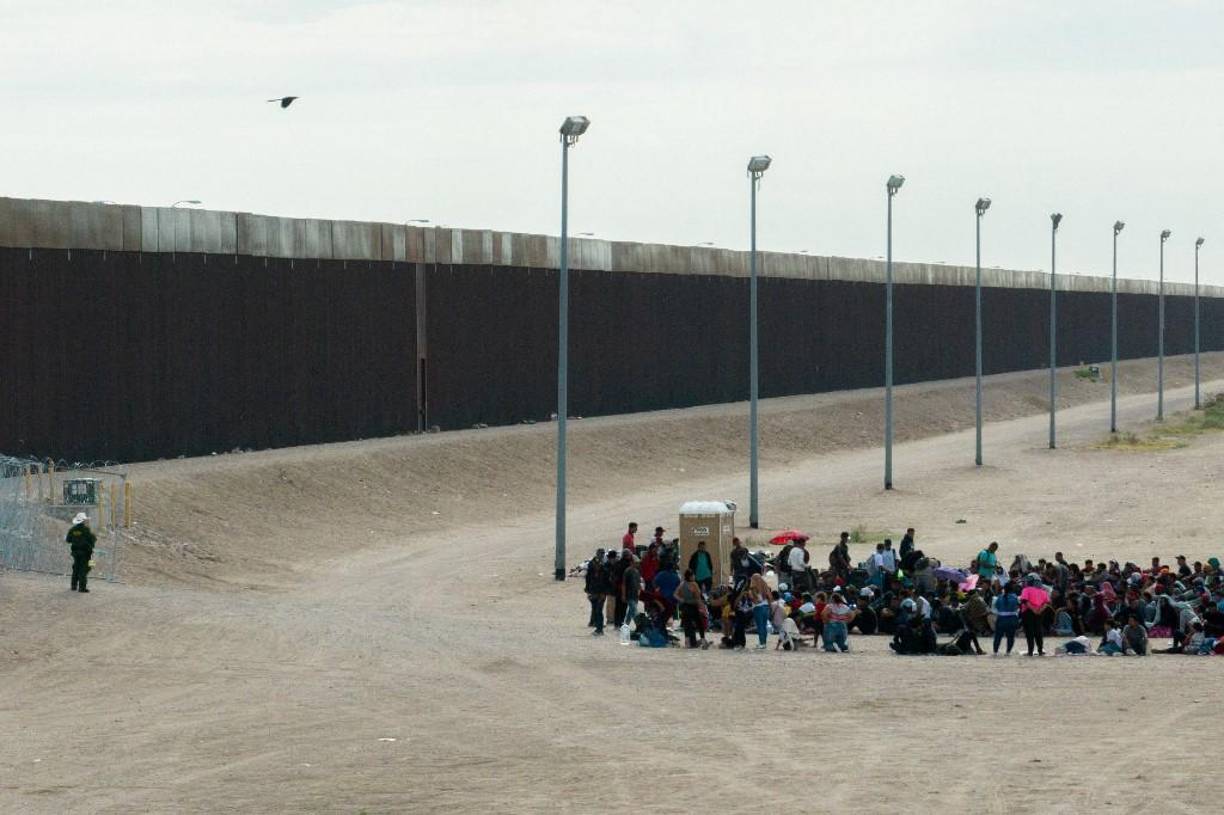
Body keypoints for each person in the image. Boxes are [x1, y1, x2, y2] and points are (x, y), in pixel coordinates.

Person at [674, 570, 710, 649]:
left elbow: (675, 594)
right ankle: (703, 641)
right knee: (699, 624)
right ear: (690, 576)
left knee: (687, 625)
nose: (694, 577)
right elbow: (698, 598)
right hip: (693, 607)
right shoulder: (694, 584)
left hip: (685, 606)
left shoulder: (682, 584)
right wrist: (703, 608)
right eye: (693, 575)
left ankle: (687, 643)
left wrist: (682, 599)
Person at [1019, 574, 1051, 656]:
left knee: (1029, 632)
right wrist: (1039, 610)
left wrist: (1033, 609)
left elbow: (1025, 601)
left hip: (1028, 612)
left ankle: (1030, 651)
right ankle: (1040, 650)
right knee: (1038, 631)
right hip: (1040, 613)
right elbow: (1046, 603)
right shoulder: (1043, 591)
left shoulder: (1026, 590)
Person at [66, 512, 96, 593]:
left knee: (76, 568)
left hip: (75, 552)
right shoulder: (86, 530)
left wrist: (76, 540)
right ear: (83, 521)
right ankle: (82, 588)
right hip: (85, 553)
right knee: (83, 569)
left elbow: (68, 540)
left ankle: (73, 586)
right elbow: (92, 540)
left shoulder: (72, 530)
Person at [992, 583, 1020, 655]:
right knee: (1010, 637)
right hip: (1012, 619)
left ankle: (995, 652)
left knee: (998, 636)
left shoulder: (999, 597)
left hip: (1001, 618)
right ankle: (1008, 652)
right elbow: (1017, 606)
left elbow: (997, 607)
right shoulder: (1015, 597)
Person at [584, 548, 607, 635]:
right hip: (594, 590)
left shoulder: (604, 566)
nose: (601, 555)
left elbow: (606, 580)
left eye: (602, 554)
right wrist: (588, 589)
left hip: (600, 591)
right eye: (600, 554)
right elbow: (588, 578)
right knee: (596, 608)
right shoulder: (592, 564)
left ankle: (599, 628)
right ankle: (597, 625)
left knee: (598, 609)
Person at [622, 555, 642, 626]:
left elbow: (638, 583)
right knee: (634, 611)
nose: (637, 564)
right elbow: (624, 584)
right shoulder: (627, 571)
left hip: (635, 595)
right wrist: (623, 595)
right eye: (635, 562)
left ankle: (626, 625)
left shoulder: (637, 571)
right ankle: (639, 625)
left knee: (630, 612)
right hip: (629, 594)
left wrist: (640, 591)